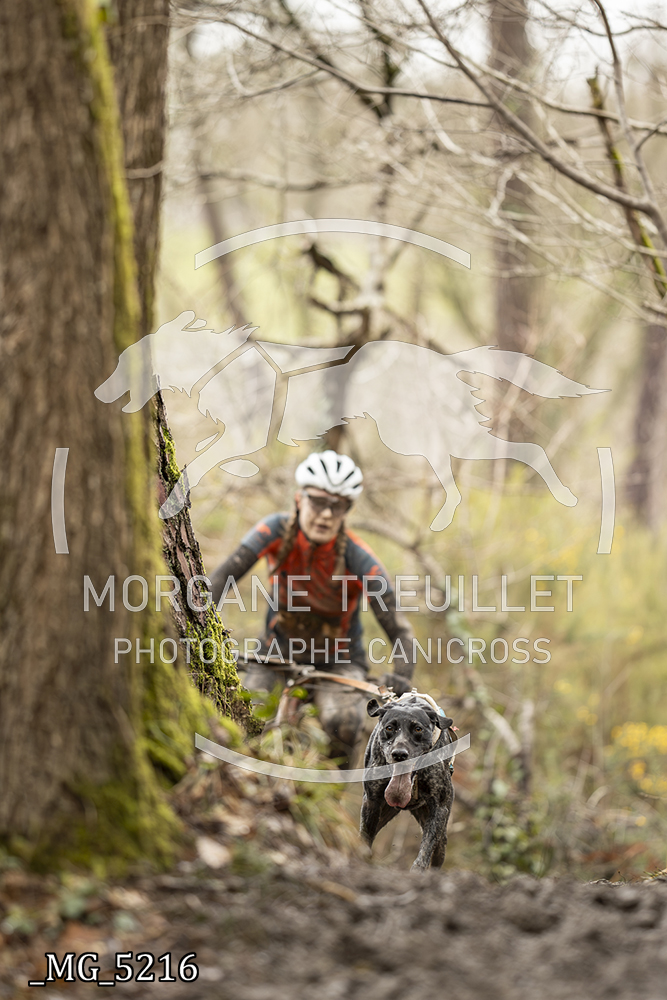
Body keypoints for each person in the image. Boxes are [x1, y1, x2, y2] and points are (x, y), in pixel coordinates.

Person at [210, 450, 415, 765]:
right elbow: (220, 580)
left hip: (339, 661)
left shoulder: (359, 558)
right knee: (247, 715)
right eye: (318, 502)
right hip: (275, 653)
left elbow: (399, 629)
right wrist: (200, 629)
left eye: (338, 506)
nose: (326, 514)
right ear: (299, 499)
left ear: (346, 510)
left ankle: (334, 784)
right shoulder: (274, 531)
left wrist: (402, 674)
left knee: (343, 724)